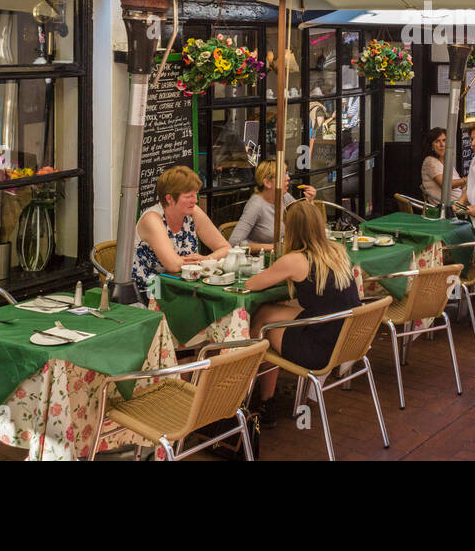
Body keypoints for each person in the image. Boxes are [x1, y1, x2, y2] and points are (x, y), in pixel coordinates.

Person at [246, 200, 361, 425]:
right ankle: (261, 397)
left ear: (291, 229)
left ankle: (248, 394)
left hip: (320, 348)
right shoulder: (337, 251)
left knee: (263, 328)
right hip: (345, 340)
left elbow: (252, 284)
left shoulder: (294, 260)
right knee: (267, 314)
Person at [132, 166, 231, 297]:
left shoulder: (193, 212)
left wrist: (207, 258)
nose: (195, 201)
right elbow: (173, 265)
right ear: (169, 198)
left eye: (195, 194)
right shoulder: (152, 219)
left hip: (182, 287)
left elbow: (226, 248)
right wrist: (205, 262)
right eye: (189, 196)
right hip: (148, 291)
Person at [228, 159, 316, 249]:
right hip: (261, 259)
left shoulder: (285, 197)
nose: (288, 178)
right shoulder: (256, 205)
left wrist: (309, 202)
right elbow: (234, 242)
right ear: (267, 183)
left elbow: (305, 223)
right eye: (283, 175)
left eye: (287, 173)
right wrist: (275, 247)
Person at [420, 127, 466, 203]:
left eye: (444, 140)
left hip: (459, 203)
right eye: (437, 141)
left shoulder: (446, 162)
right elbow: (446, 185)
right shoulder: (430, 161)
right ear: (431, 146)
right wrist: (467, 180)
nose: (442, 145)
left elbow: (459, 185)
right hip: (446, 208)